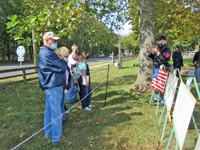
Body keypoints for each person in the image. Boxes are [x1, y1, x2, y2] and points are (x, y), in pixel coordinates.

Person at [38, 32, 68, 143]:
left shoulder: (47, 52)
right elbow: (62, 67)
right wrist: (62, 62)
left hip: (51, 85)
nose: (56, 43)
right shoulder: (47, 53)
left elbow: (60, 66)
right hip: (53, 86)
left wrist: (60, 62)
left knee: (49, 110)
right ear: (46, 40)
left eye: (56, 41)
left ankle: (48, 131)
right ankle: (57, 138)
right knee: (56, 113)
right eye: (53, 41)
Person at [147, 35, 171, 107]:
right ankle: (157, 98)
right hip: (157, 68)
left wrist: (158, 52)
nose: (159, 42)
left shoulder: (166, 49)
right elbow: (155, 58)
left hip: (163, 68)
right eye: (158, 40)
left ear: (164, 42)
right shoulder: (158, 49)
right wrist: (150, 54)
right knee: (155, 84)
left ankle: (163, 101)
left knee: (161, 84)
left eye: (160, 40)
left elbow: (165, 59)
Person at [55, 47, 70, 122]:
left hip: (66, 86)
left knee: (63, 103)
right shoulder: (59, 62)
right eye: (66, 53)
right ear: (62, 54)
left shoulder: (64, 62)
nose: (67, 55)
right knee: (59, 104)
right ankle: (59, 119)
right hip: (61, 86)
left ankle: (63, 118)